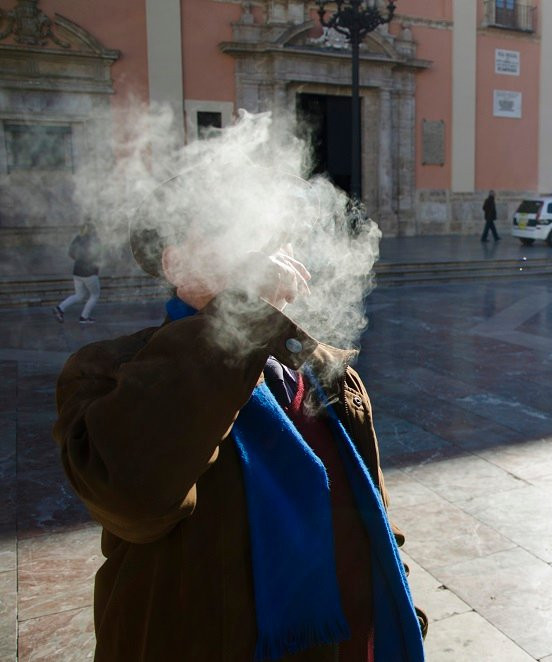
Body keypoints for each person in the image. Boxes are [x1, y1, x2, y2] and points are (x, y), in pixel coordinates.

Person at [53, 181, 426, 661]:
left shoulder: (329, 375)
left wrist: (401, 607)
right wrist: (241, 314)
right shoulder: (108, 370)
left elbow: (372, 512)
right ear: (174, 264)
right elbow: (134, 498)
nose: (263, 246)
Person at [53, 222, 101, 324]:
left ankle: (60, 308)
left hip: (77, 271)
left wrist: (79, 260)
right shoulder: (95, 240)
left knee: (79, 295)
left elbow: (70, 252)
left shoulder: (78, 238)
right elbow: (98, 255)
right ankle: (84, 317)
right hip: (89, 272)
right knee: (95, 295)